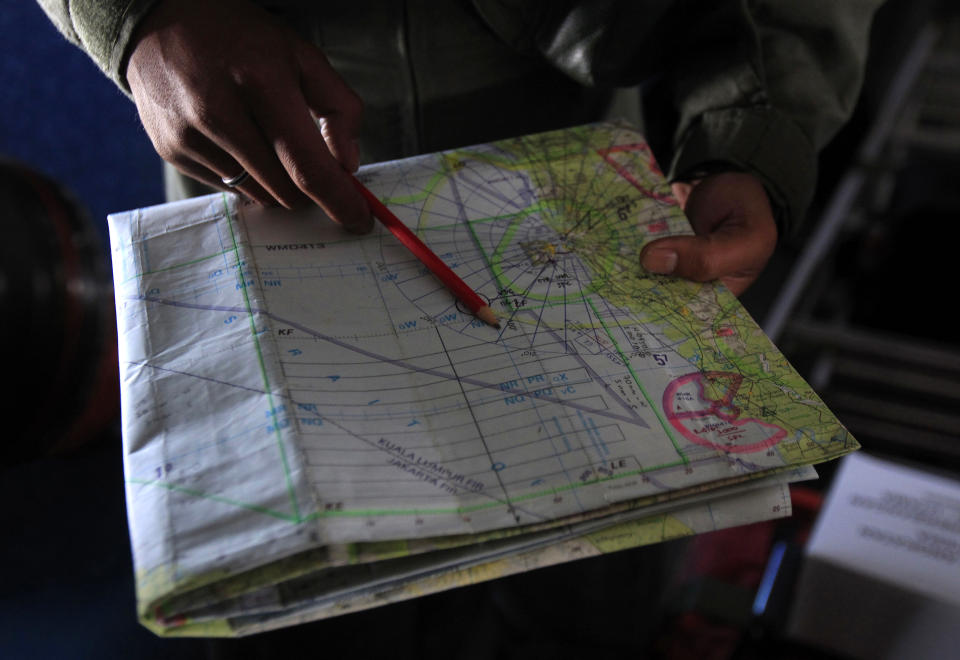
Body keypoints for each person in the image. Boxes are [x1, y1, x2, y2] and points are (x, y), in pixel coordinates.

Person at [37, 0, 882, 296]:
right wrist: (138, 15)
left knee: (590, 571)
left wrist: (754, 121)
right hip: (248, 136)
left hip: (582, 121)